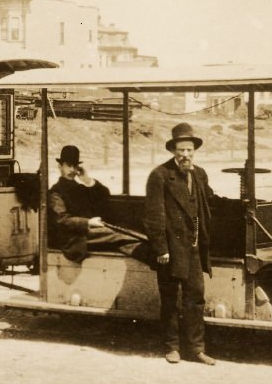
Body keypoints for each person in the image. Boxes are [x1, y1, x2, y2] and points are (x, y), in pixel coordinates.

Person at [144, 123, 217, 365]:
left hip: (194, 247)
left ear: (194, 151)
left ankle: (196, 349)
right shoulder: (160, 175)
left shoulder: (199, 174)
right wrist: (161, 248)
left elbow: (209, 200)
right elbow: (154, 216)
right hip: (171, 250)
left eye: (189, 150)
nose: (185, 155)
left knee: (195, 298)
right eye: (180, 150)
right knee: (170, 299)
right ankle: (172, 347)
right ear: (173, 151)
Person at [48, 145, 153, 265]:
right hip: (73, 238)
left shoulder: (80, 188)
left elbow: (104, 194)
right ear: (60, 166)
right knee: (118, 236)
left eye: (75, 166)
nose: (72, 170)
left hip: (89, 232)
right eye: (68, 166)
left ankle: (155, 260)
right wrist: (88, 222)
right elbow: (62, 220)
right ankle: (154, 257)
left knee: (126, 236)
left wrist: (87, 180)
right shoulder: (55, 192)